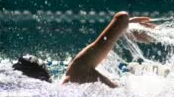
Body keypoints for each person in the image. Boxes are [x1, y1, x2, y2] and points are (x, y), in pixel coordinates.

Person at [13, 12, 156, 88]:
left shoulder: (65, 86)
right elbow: (121, 18)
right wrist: (126, 27)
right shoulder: (76, 71)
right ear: (46, 70)